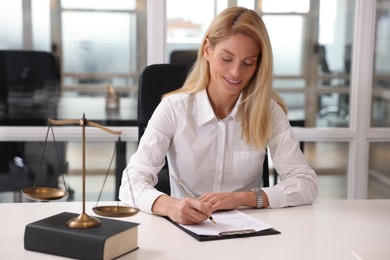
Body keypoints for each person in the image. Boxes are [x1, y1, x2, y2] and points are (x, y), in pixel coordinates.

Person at [119, 6, 318, 225]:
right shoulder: (173, 108)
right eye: (226, 58)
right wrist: (171, 206)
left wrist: (244, 198)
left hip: (248, 231)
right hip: (186, 228)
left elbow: (305, 183)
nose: (235, 72)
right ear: (207, 50)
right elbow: (131, 182)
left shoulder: (268, 111)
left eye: (248, 63)